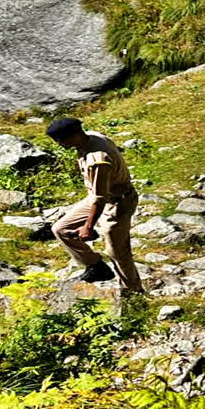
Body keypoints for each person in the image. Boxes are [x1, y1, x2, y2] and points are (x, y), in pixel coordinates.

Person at [47, 118, 143, 295]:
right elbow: (97, 196)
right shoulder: (92, 137)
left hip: (117, 203)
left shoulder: (97, 160)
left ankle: (133, 291)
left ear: (74, 135)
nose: (60, 145)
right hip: (98, 197)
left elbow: (101, 198)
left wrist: (88, 227)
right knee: (61, 229)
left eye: (61, 140)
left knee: (117, 252)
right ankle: (96, 265)